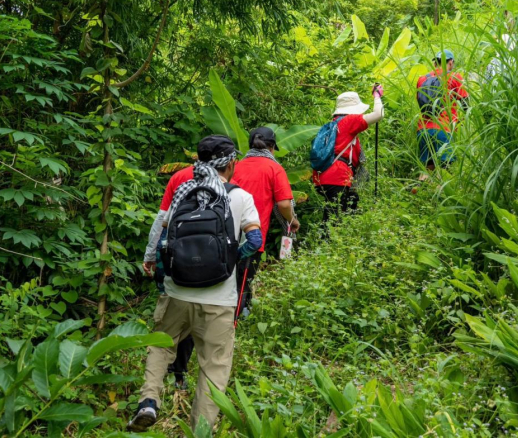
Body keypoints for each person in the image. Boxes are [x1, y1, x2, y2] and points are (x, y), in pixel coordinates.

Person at [129, 135, 262, 432]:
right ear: (230, 163)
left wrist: (150, 259)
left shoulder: (182, 192)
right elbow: (255, 240)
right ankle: (200, 429)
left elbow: (160, 234)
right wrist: (231, 260)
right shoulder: (240, 197)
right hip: (219, 299)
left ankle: (149, 401)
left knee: (161, 346)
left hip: (178, 292)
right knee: (213, 366)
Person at [232, 127, 300, 316]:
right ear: (271, 148)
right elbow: (284, 204)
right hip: (252, 235)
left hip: (226, 232)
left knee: (230, 277)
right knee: (244, 279)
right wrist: (292, 220)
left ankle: (236, 312)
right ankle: (236, 320)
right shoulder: (274, 168)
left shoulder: (235, 165)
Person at [142, 165, 195, 390]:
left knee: (166, 317)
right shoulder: (229, 181)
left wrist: (150, 254)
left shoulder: (181, 176)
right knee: (192, 316)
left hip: (172, 261)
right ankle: (179, 374)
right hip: (207, 269)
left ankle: (157, 378)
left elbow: (161, 220)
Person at [312, 86, 383, 223]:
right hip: (337, 176)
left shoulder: (334, 124)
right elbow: (378, 114)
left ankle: (331, 241)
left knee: (339, 213)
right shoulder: (348, 121)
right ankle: (326, 243)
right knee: (333, 221)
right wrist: (377, 96)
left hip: (323, 176)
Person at [417, 50, 468, 181]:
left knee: (428, 166)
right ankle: (439, 198)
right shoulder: (455, 77)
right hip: (443, 128)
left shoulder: (422, 79)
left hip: (423, 129)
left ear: (435, 63)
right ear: (450, 63)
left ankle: (419, 187)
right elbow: (466, 103)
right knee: (444, 170)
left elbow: (421, 102)